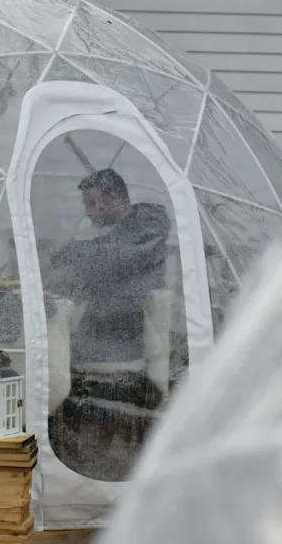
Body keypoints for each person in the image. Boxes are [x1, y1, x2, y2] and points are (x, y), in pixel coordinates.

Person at [42, 168, 173, 481]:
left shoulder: (148, 226)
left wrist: (60, 259)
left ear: (113, 198)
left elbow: (110, 255)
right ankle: (66, 438)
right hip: (106, 328)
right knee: (51, 349)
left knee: (50, 362)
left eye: (92, 203)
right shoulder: (124, 233)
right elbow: (102, 267)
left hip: (122, 336)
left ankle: (69, 448)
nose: (88, 212)